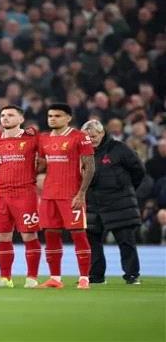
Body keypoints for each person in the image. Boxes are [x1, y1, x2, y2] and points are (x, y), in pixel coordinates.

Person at [37, 103, 95, 289]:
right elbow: (42, 164)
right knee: (51, 235)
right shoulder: (43, 139)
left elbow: (90, 167)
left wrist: (81, 193)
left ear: (68, 118)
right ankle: (55, 278)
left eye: (58, 116)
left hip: (71, 195)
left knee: (78, 234)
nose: (53, 119)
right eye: (50, 116)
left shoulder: (79, 137)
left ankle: (84, 278)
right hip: (49, 195)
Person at [82, 119, 145, 285]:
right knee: (92, 241)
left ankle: (132, 275)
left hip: (119, 203)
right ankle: (96, 276)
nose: (91, 140)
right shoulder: (81, 152)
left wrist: (125, 189)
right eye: (87, 137)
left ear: (102, 133)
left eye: (93, 136)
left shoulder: (119, 148)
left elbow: (138, 170)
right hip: (93, 203)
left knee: (125, 240)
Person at [0, 105, 42, 288]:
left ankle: (32, 278)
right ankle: (5, 278)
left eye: (10, 115)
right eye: (3, 115)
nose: (5, 118)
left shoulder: (32, 138)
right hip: (0, 193)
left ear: (21, 119)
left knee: (29, 235)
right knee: (2, 236)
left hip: (24, 193)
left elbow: (46, 155)